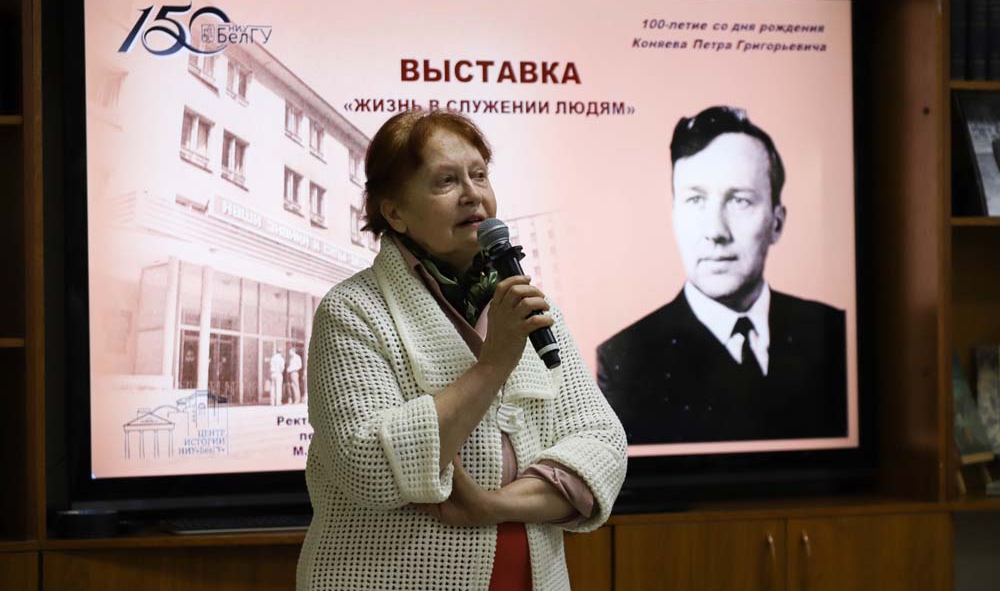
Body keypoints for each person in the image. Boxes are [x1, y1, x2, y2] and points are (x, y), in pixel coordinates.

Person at [297, 110, 627, 591]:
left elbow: (602, 445)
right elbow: (367, 467)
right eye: (446, 181)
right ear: (395, 213)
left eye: (479, 175)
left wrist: (491, 507)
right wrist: (492, 365)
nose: (473, 194)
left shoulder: (525, 304)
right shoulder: (352, 309)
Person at [596, 106, 847, 446]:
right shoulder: (623, 358)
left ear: (777, 222)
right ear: (675, 217)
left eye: (739, 200)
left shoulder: (834, 333)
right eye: (695, 200)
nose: (715, 231)